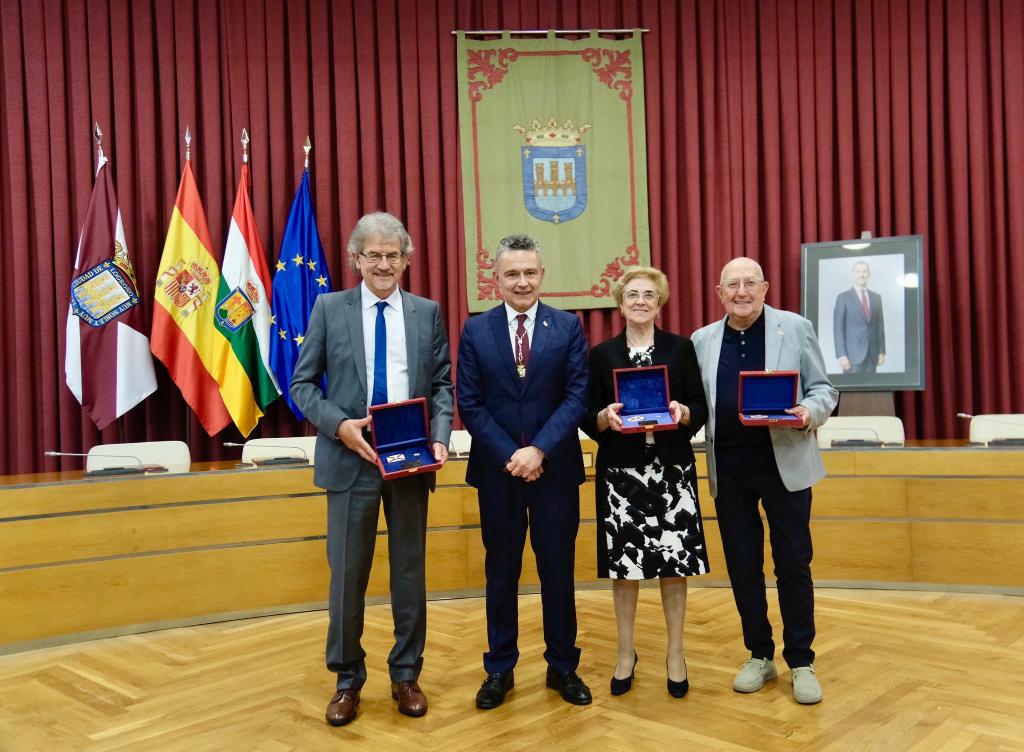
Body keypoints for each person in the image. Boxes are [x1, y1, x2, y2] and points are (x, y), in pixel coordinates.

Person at [290, 212, 454, 727]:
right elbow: (302, 387)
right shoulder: (328, 308)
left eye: (393, 255)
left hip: (410, 461)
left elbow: (443, 385)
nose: (384, 264)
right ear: (356, 259)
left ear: (406, 260)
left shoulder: (427, 313)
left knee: (409, 574)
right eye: (373, 255)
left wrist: (441, 435)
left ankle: (406, 673)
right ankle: (347, 680)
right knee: (347, 578)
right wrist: (340, 426)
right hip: (350, 461)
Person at [691, 257, 837, 705]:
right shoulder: (701, 340)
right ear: (719, 293)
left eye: (749, 283)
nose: (741, 291)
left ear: (765, 287)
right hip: (729, 469)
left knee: (793, 563)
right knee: (742, 566)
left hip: (785, 464)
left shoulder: (795, 327)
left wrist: (808, 414)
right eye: (731, 284)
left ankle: (801, 660)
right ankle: (759, 654)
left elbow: (824, 390)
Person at [456, 234, 591, 709]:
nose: (521, 281)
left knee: (558, 572)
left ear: (542, 275)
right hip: (497, 473)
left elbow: (577, 396)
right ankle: (499, 669)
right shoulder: (475, 331)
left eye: (529, 272)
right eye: (511, 273)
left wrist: (538, 451)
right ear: (497, 279)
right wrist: (512, 456)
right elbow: (469, 405)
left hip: (554, 471)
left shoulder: (568, 326)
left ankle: (563, 667)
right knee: (501, 572)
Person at [581, 267, 710, 699]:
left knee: (676, 568)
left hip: (672, 472)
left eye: (648, 295)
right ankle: (624, 653)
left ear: (660, 302)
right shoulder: (601, 355)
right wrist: (604, 418)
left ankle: (676, 654)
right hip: (621, 476)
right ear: (620, 303)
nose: (640, 301)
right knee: (625, 569)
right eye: (632, 294)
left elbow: (700, 406)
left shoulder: (681, 348)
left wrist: (684, 412)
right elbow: (586, 413)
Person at [833, 260, 886, 373]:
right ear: (853, 274)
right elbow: (838, 329)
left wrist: (882, 351)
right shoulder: (843, 298)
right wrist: (841, 355)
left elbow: (880, 325)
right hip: (852, 356)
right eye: (858, 271)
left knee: (873, 389)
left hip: (873, 354)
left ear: (869, 274)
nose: (862, 274)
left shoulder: (877, 297)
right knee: (852, 390)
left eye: (864, 271)